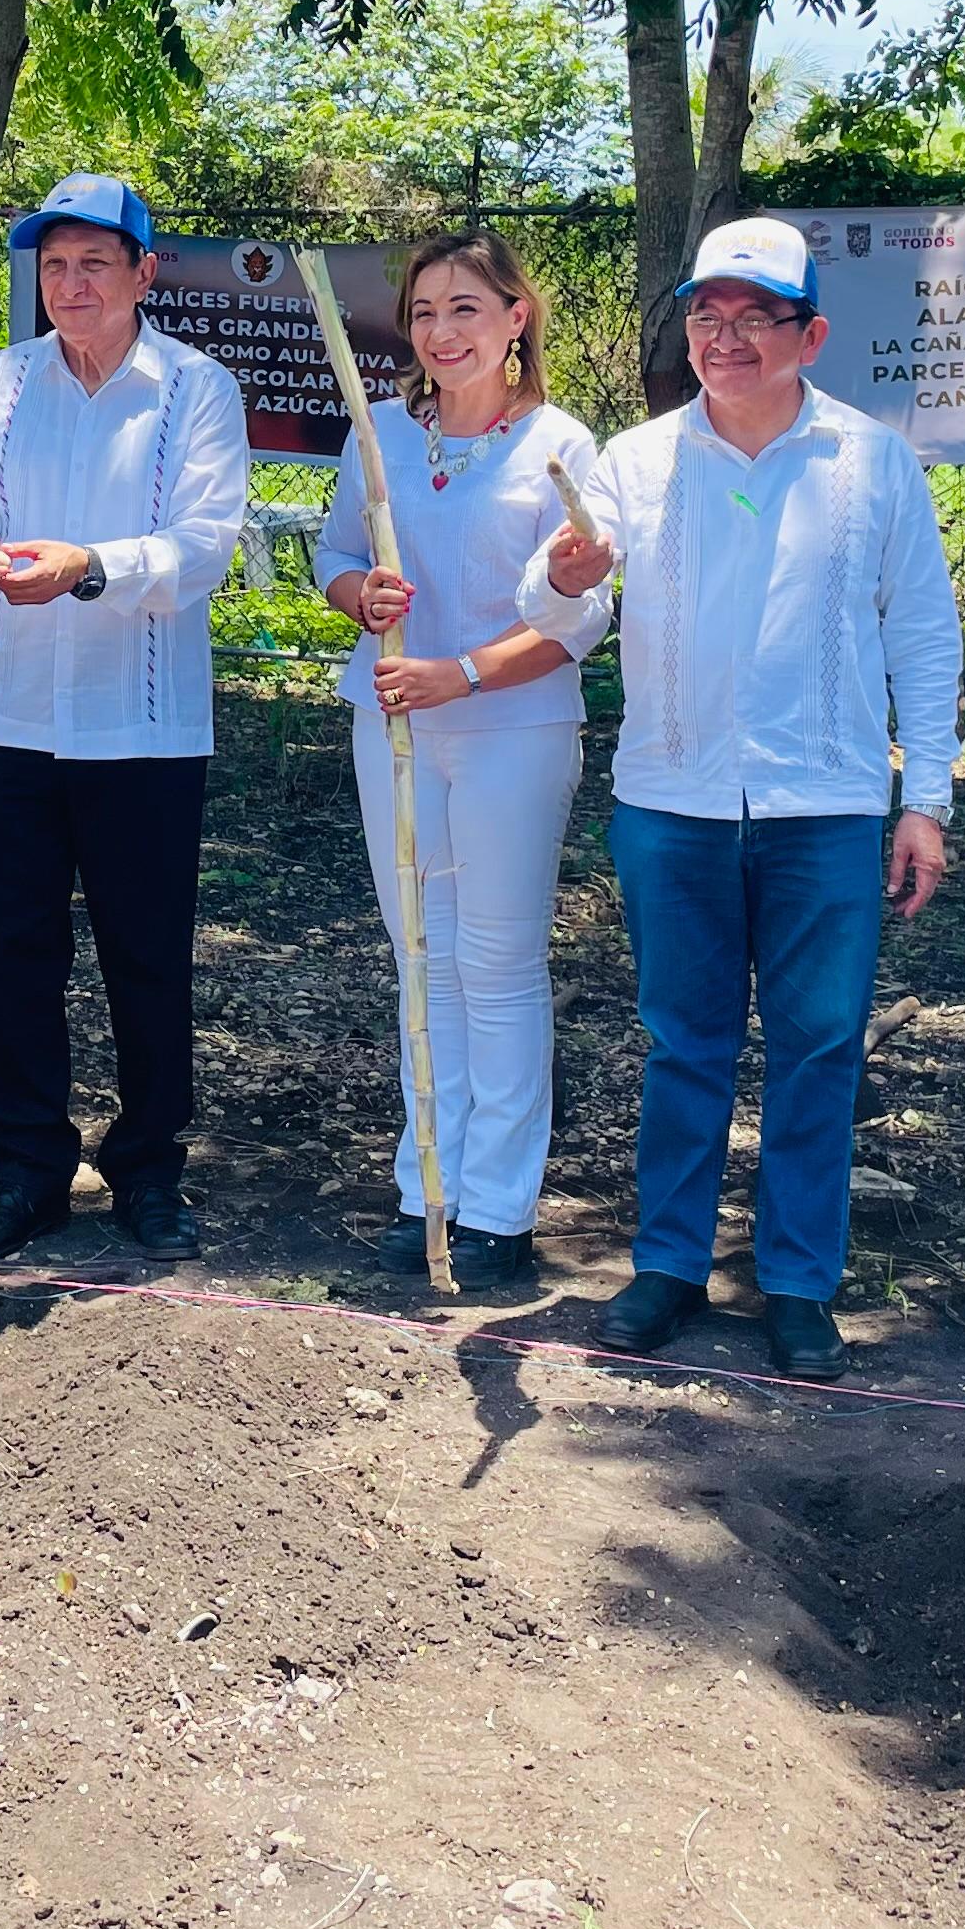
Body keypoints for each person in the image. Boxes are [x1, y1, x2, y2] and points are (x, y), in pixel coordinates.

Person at [528, 217, 963, 1377]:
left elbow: (922, 633)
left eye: (754, 319)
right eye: (706, 317)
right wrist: (561, 575)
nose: (725, 340)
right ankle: (668, 1265)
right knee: (684, 1042)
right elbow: (567, 608)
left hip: (824, 806)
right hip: (674, 801)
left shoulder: (872, 462)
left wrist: (927, 798)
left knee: (819, 1045)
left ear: (809, 333)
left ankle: (798, 1282)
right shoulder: (636, 461)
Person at [0, 173, 251, 1265]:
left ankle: (149, 1169)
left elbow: (204, 548)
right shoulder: (2, 384)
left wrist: (89, 567)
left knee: (145, 957)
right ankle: (26, 1169)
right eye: (53, 266)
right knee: (7, 957)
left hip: (144, 730)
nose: (72, 286)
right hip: (7, 718)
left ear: (146, 273)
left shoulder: (197, 390)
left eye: (95, 264)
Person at [314, 231, 600, 1288]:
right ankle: (426, 1186)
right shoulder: (380, 433)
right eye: (426, 311)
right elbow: (337, 555)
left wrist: (465, 675)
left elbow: (580, 617)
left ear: (515, 318)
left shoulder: (560, 447)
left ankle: (498, 1208)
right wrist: (360, 597)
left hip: (510, 731)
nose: (442, 332)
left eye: (466, 309)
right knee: (422, 958)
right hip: (392, 722)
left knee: (499, 962)